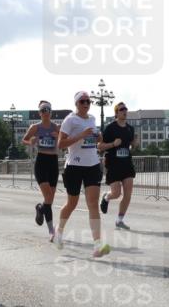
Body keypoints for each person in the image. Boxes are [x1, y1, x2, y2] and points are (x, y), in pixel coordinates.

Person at [54, 91, 113, 258]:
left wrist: (98, 137)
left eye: (88, 101)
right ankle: (59, 231)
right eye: (82, 101)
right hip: (74, 166)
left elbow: (96, 142)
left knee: (93, 204)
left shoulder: (93, 119)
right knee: (72, 203)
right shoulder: (70, 120)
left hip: (92, 165)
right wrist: (81, 135)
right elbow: (61, 144)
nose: (86, 104)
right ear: (76, 103)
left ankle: (97, 245)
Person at [22, 100, 60, 240]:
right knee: (48, 197)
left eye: (48, 110)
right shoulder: (35, 127)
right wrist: (31, 141)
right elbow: (24, 140)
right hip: (41, 162)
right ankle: (51, 231)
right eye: (43, 110)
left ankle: (40, 208)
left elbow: (64, 142)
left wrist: (59, 137)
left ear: (51, 112)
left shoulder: (56, 127)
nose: (45, 112)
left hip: (53, 163)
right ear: (39, 113)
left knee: (49, 199)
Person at [100, 102, 140, 229]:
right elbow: (100, 146)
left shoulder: (130, 129)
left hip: (127, 164)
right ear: (116, 113)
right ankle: (106, 197)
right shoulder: (110, 128)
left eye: (126, 109)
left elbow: (131, 147)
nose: (125, 111)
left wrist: (135, 143)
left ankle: (119, 220)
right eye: (122, 109)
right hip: (113, 164)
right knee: (116, 194)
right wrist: (112, 144)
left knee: (128, 194)